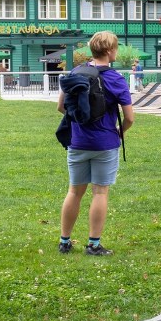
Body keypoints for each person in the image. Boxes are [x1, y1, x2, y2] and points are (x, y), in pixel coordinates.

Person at [57, 31, 135, 257]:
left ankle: (64, 241)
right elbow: (129, 117)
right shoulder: (115, 78)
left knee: (74, 191)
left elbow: (61, 107)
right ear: (110, 51)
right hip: (105, 143)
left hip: (78, 141)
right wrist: (120, 132)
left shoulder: (76, 73)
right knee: (100, 192)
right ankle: (93, 244)